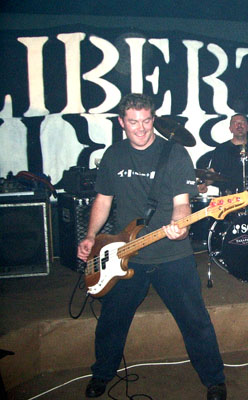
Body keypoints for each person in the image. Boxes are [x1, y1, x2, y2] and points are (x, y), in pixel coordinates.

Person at [77, 93, 227, 400]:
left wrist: (180, 227)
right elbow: (103, 199)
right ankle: (102, 374)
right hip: (125, 255)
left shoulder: (175, 154)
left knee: (195, 320)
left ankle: (215, 380)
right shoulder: (113, 155)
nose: (141, 128)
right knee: (112, 321)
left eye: (146, 121)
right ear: (122, 122)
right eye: (133, 122)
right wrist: (91, 235)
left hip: (172, 254)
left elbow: (182, 204)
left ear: (153, 120)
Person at [198, 113, 248, 194]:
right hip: (229, 196)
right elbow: (213, 173)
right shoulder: (221, 149)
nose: (239, 125)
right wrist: (204, 183)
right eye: (235, 123)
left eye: (242, 122)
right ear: (230, 129)